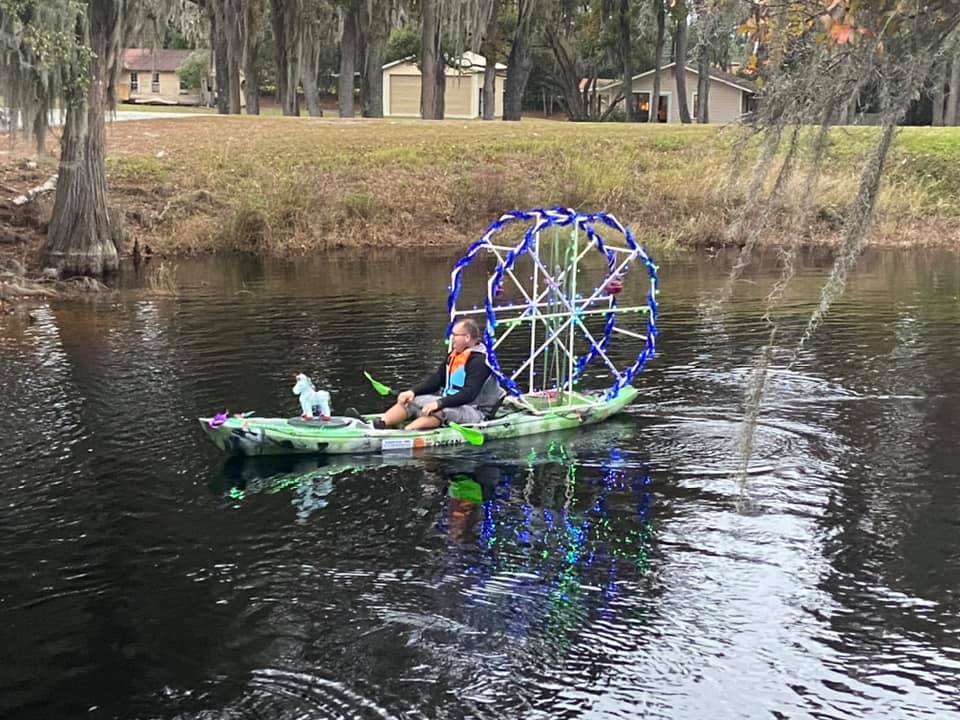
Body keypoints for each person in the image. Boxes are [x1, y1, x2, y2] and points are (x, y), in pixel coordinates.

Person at [375, 318, 503, 430]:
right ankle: (380, 424)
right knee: (411, 400)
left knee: (440, 411)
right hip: (452, 402)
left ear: (467, 337)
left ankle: (406, 433)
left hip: (475, 410)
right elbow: (436, 380)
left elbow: (469, 394)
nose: (451, 339)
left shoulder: (481, 361)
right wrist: (412, 392)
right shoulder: (454, 356)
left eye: (454, 335)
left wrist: (439, 403)